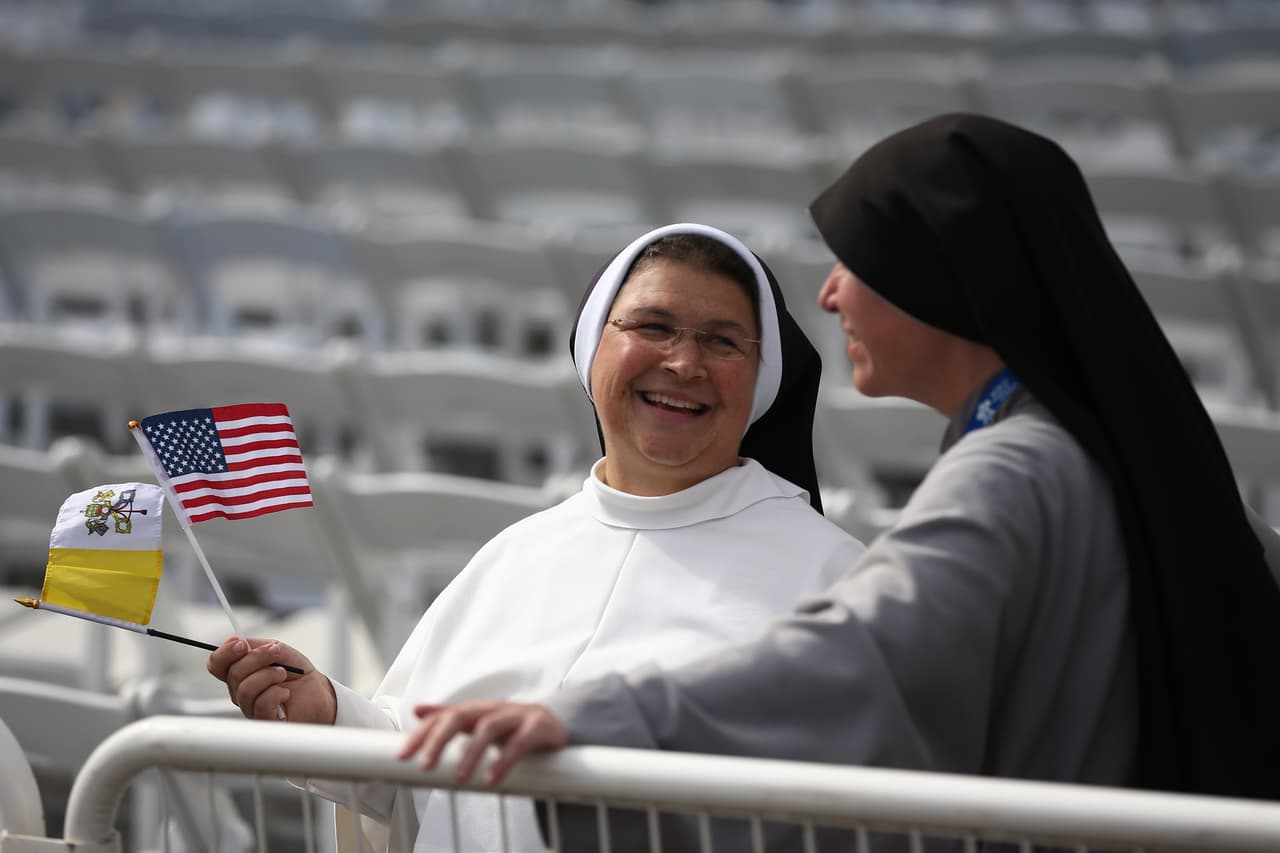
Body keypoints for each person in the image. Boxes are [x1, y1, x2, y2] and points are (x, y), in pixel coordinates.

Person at [400, 113, 1280, 831]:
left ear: (940, 281)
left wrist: (598, 722)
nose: (828, 296)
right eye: (653, 329)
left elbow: (861, 658)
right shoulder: (1072, 448)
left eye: (856, 262)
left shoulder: (1016, 466)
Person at [207, 222, 867, 852]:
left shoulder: (836, 581)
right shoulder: (515, 556)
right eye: (653, 326)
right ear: (591, 348)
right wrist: (324, 712)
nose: (684, 361)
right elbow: (417, 771)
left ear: (762, 378)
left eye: (723, 341)